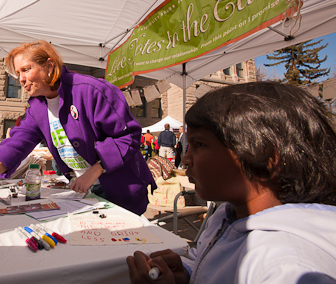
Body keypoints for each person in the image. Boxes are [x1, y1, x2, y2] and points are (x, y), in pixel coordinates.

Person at [127, 82, 336, 284]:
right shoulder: (227, 214)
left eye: (200, 144)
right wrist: (188, 273)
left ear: (268, 159)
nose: (186, 160)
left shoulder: (285, 269)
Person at [0, 40, 155, 216]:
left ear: (50, 66)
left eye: (26, 69)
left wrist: (95, 170)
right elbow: (14, 145)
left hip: (119, 189)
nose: (21, 79)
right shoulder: (37, 107)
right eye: (18, 74)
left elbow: (128, 137)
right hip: (83, 191)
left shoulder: (92, 91)